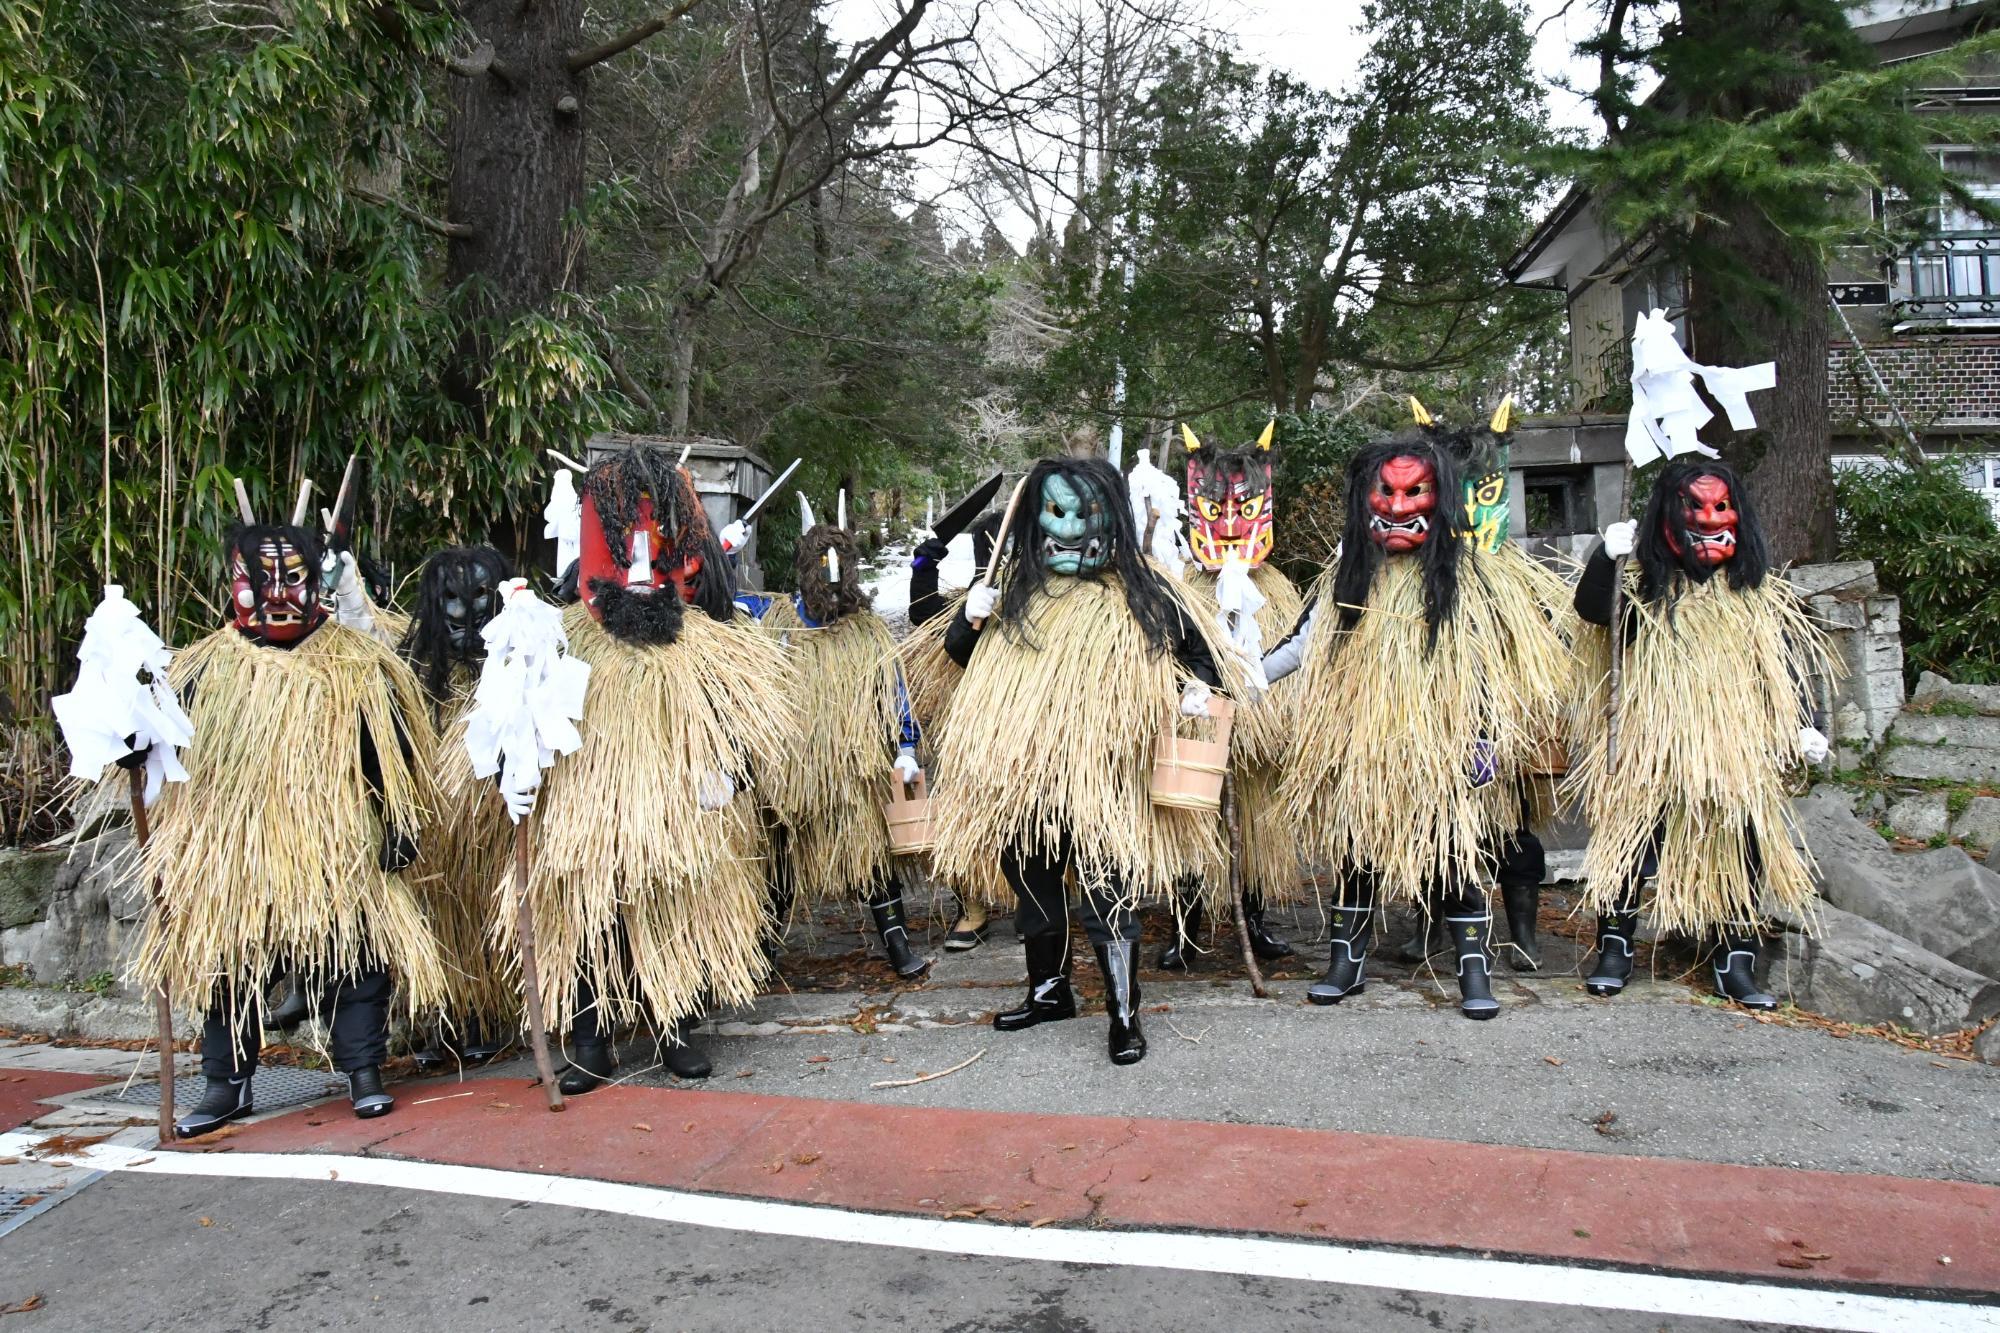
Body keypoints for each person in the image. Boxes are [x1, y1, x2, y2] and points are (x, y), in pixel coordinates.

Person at [131, 520, 444, 1136]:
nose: (276, 594)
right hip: (234, 850)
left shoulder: (358, 665)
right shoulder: (201, 671)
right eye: (260, 580)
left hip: (338, 847)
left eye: (292, 579)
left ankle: (362, 1072)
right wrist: (133, 755)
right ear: (233, 583)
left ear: (316, 584)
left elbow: (391, 754)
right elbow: (161, 757)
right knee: (228, 960)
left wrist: (398, 824)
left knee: (356, 955)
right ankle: (225, 1084)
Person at [508, 444, 796, 1093]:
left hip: (676, 802)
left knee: (676, 899)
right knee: (593, 906)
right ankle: (591, 1038)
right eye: (622, 541)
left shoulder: (703, 645)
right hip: (592, 804)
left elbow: (735, 715)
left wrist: (728, 769)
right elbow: (525, 726)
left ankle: (674, 1027)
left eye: (654, 538)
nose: (639, 558)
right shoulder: (560, 640)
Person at [1263, 425, 1571, 1019]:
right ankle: (1344, 964)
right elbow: (1301, 646)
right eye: (1386, 493)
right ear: (1363, 500)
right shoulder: (1346, 578)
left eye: (1416, 494)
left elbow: (1512, 665)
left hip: (1447, 748)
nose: (1400, 508)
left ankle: (1473, 973)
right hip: (1365, 746)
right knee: (1357, 852)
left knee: (1454, 856)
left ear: (1445, 498)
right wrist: (1235, 679)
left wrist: (1487, 742)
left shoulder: (1477, 582)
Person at [930, 457, 1230, 1066]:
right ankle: (1049, 992)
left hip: (1104, 778)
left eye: (1085, 513)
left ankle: (1124, 1013)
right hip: (1021, 775)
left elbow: (1201, 665)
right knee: (1032, 886)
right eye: (1056, 512)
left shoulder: (1144, 594)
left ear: (1112, 516)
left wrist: (1193, 691)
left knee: (1108, 892)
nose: (1068, 529)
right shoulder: (1014, 588)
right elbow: (959, 657)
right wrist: (969, 617)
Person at [1568, 459, 1834, 1008]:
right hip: (1653, 744)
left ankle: (1734, 963)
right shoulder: (1645, 590)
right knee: (1631, 845)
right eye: (1693, 507)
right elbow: (1597, 612)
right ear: (1667, 515)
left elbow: (1782, 671)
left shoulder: (1760, 600)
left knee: (1742, 846)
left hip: (1735, 752)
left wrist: (1805, 723)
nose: (1709, 520)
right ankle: (1614, 952)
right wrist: (1606, 559)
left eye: (1720, 507)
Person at [752, 496, 931, 979]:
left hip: (854, 771)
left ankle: (898, 945)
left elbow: (894, 692)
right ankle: (763, 949)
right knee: (782, 859)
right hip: (791, 770)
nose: (832, 588)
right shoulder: (774, 624)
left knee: (871, 855)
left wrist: (905, 746)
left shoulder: (868, 632)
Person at [1159, 421, 1301, 969]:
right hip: (1196, 729)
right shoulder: (1181, 595)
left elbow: (1295, 656)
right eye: (1217, 511)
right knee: (1191, 821)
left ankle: (1256, 921)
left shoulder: (1277, 595)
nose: (1233, 523)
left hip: (1257, 736)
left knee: (1257, 825)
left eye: (1246, 510)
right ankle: (1185, 929)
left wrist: (1265, 703)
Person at [400, 545, 518, 1067]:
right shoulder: (417, 677)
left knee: (491, 910)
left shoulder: (518, 670)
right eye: (449, 598)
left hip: (495, 823)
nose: (464, 614)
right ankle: (444, 1019)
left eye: (479, 598)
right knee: (441, 916)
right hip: (436, 834)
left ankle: (492, 1015)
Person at [907, 509, 1003, 949]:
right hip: (962, 724)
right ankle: (971, 906)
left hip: (1019, 724)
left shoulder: (1047, 602)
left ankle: (1033, 902)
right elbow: (922, 614)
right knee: (957, 810)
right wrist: (925, 567)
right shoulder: (967, 602)